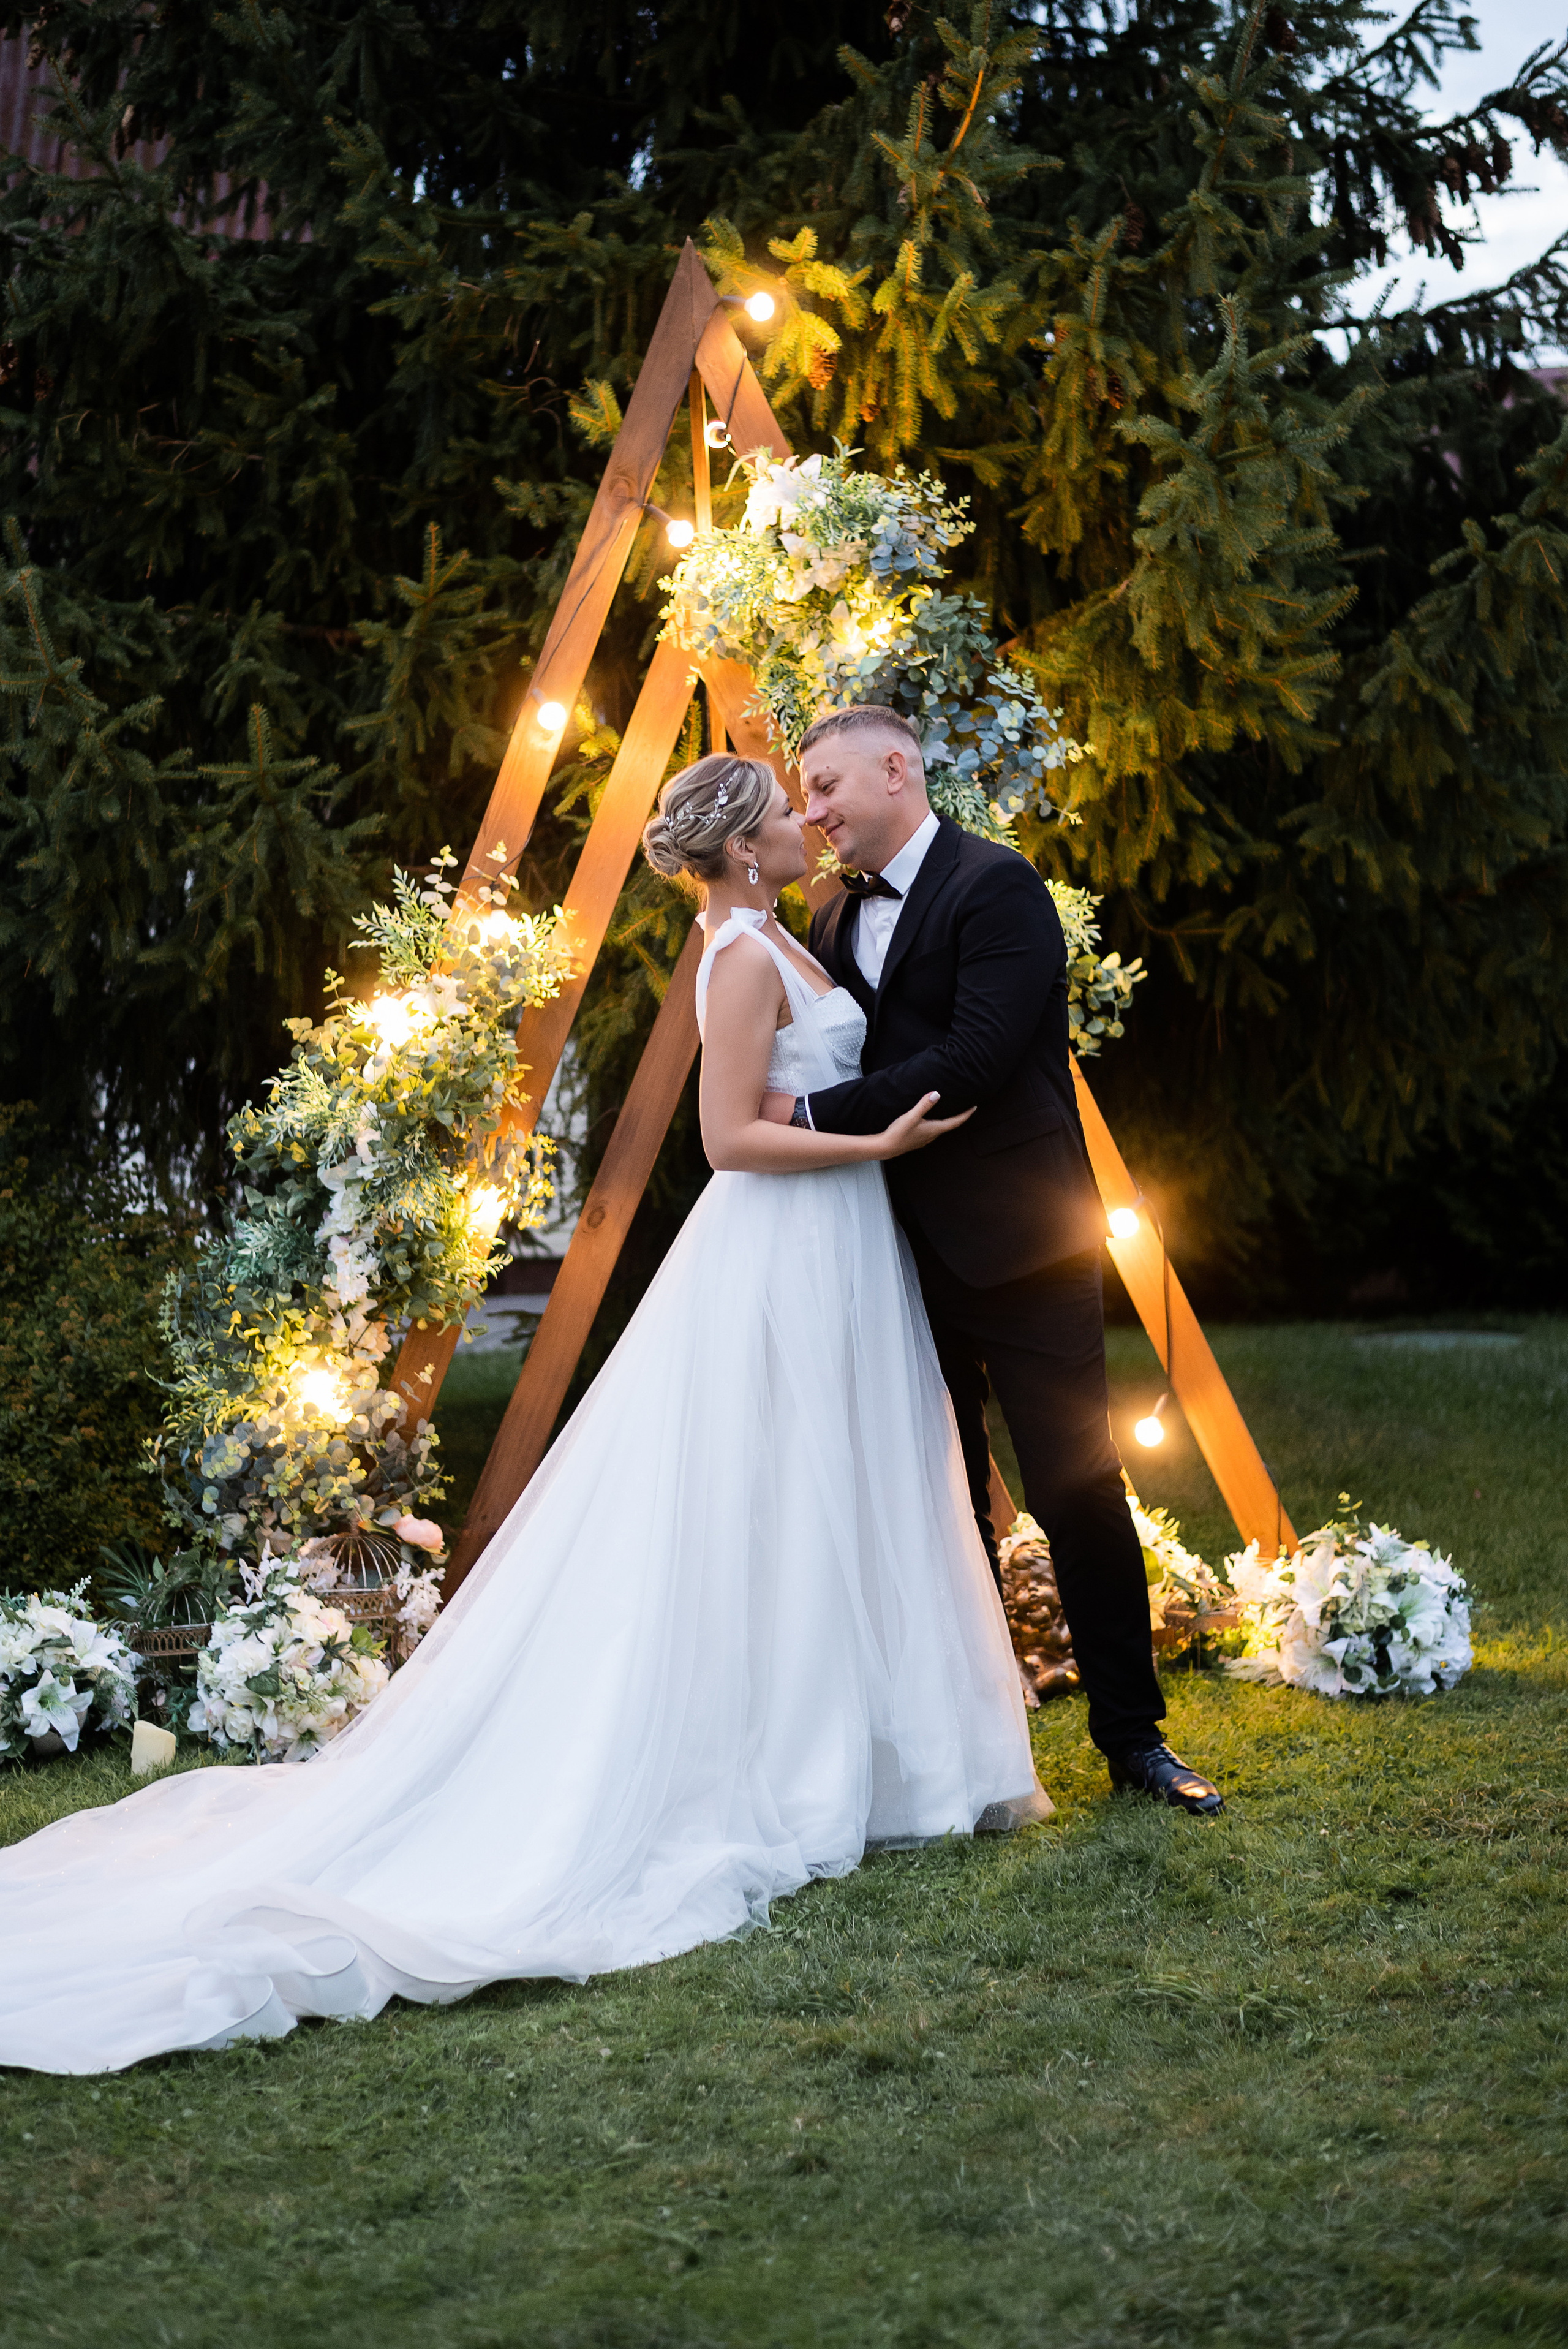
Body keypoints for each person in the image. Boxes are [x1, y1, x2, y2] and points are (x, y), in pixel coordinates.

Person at [0, 752, 1049, 2076]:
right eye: (786, 814)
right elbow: (725, 1139)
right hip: (782, 1240)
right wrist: (871, 1148)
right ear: (738, 851)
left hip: (835, 1247)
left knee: (830, 1489)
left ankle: (872, 1754)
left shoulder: (788, 935)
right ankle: (796, 1765)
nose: (805, 824)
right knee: (767, 1491)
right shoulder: (734, 957)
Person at [762, 703, 1222, 1818]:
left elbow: (967, 1061)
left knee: (1076, 1487)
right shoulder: (827, 920)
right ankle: (967, 1744)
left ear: (896, 767)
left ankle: (1135, 1740)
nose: (815, 814)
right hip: (890, 1255)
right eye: (804, 797)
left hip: (1022, 1247)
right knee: (939, 1498)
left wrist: (807, 1113)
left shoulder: (997, 886)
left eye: (826, 788)